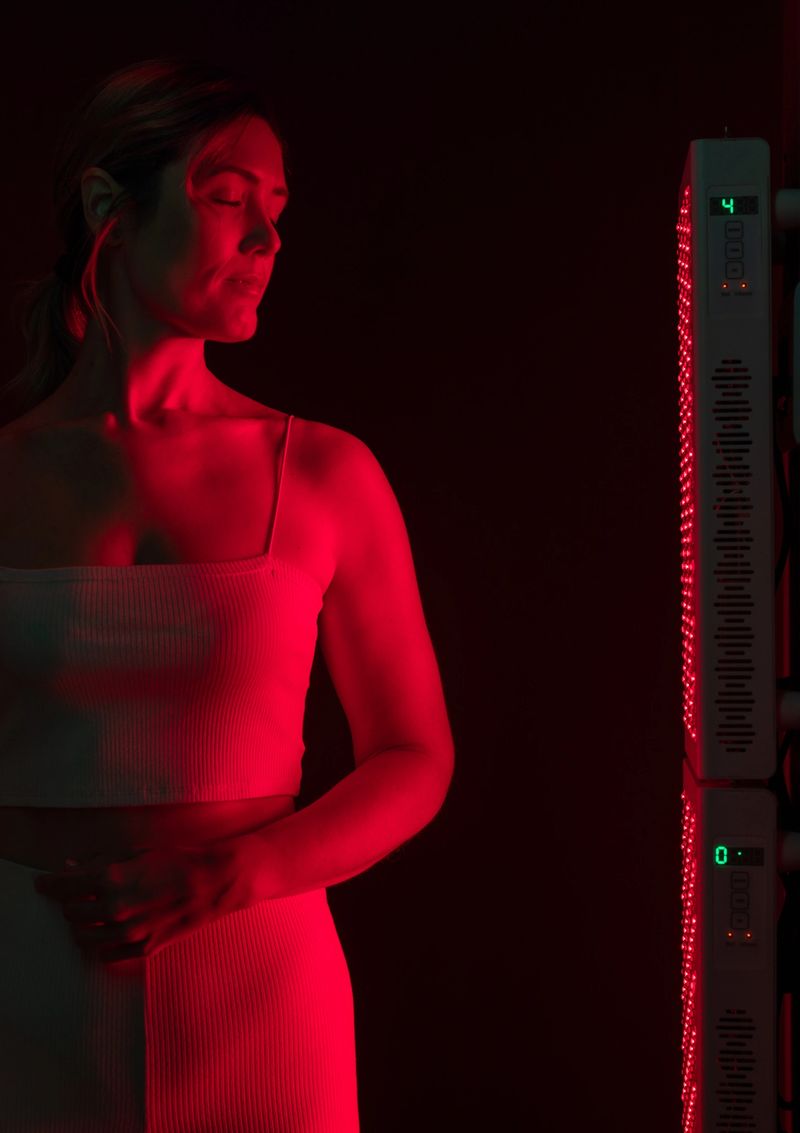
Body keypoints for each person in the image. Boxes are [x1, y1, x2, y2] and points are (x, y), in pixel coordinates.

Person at [0, 56, 455, 1131]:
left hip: (258, 982)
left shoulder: (323, 472)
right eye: (225, 197)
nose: (267, 240)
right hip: (22, 981)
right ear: (110, 209)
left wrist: (233, 874)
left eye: (276, 210)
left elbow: (415, 756)